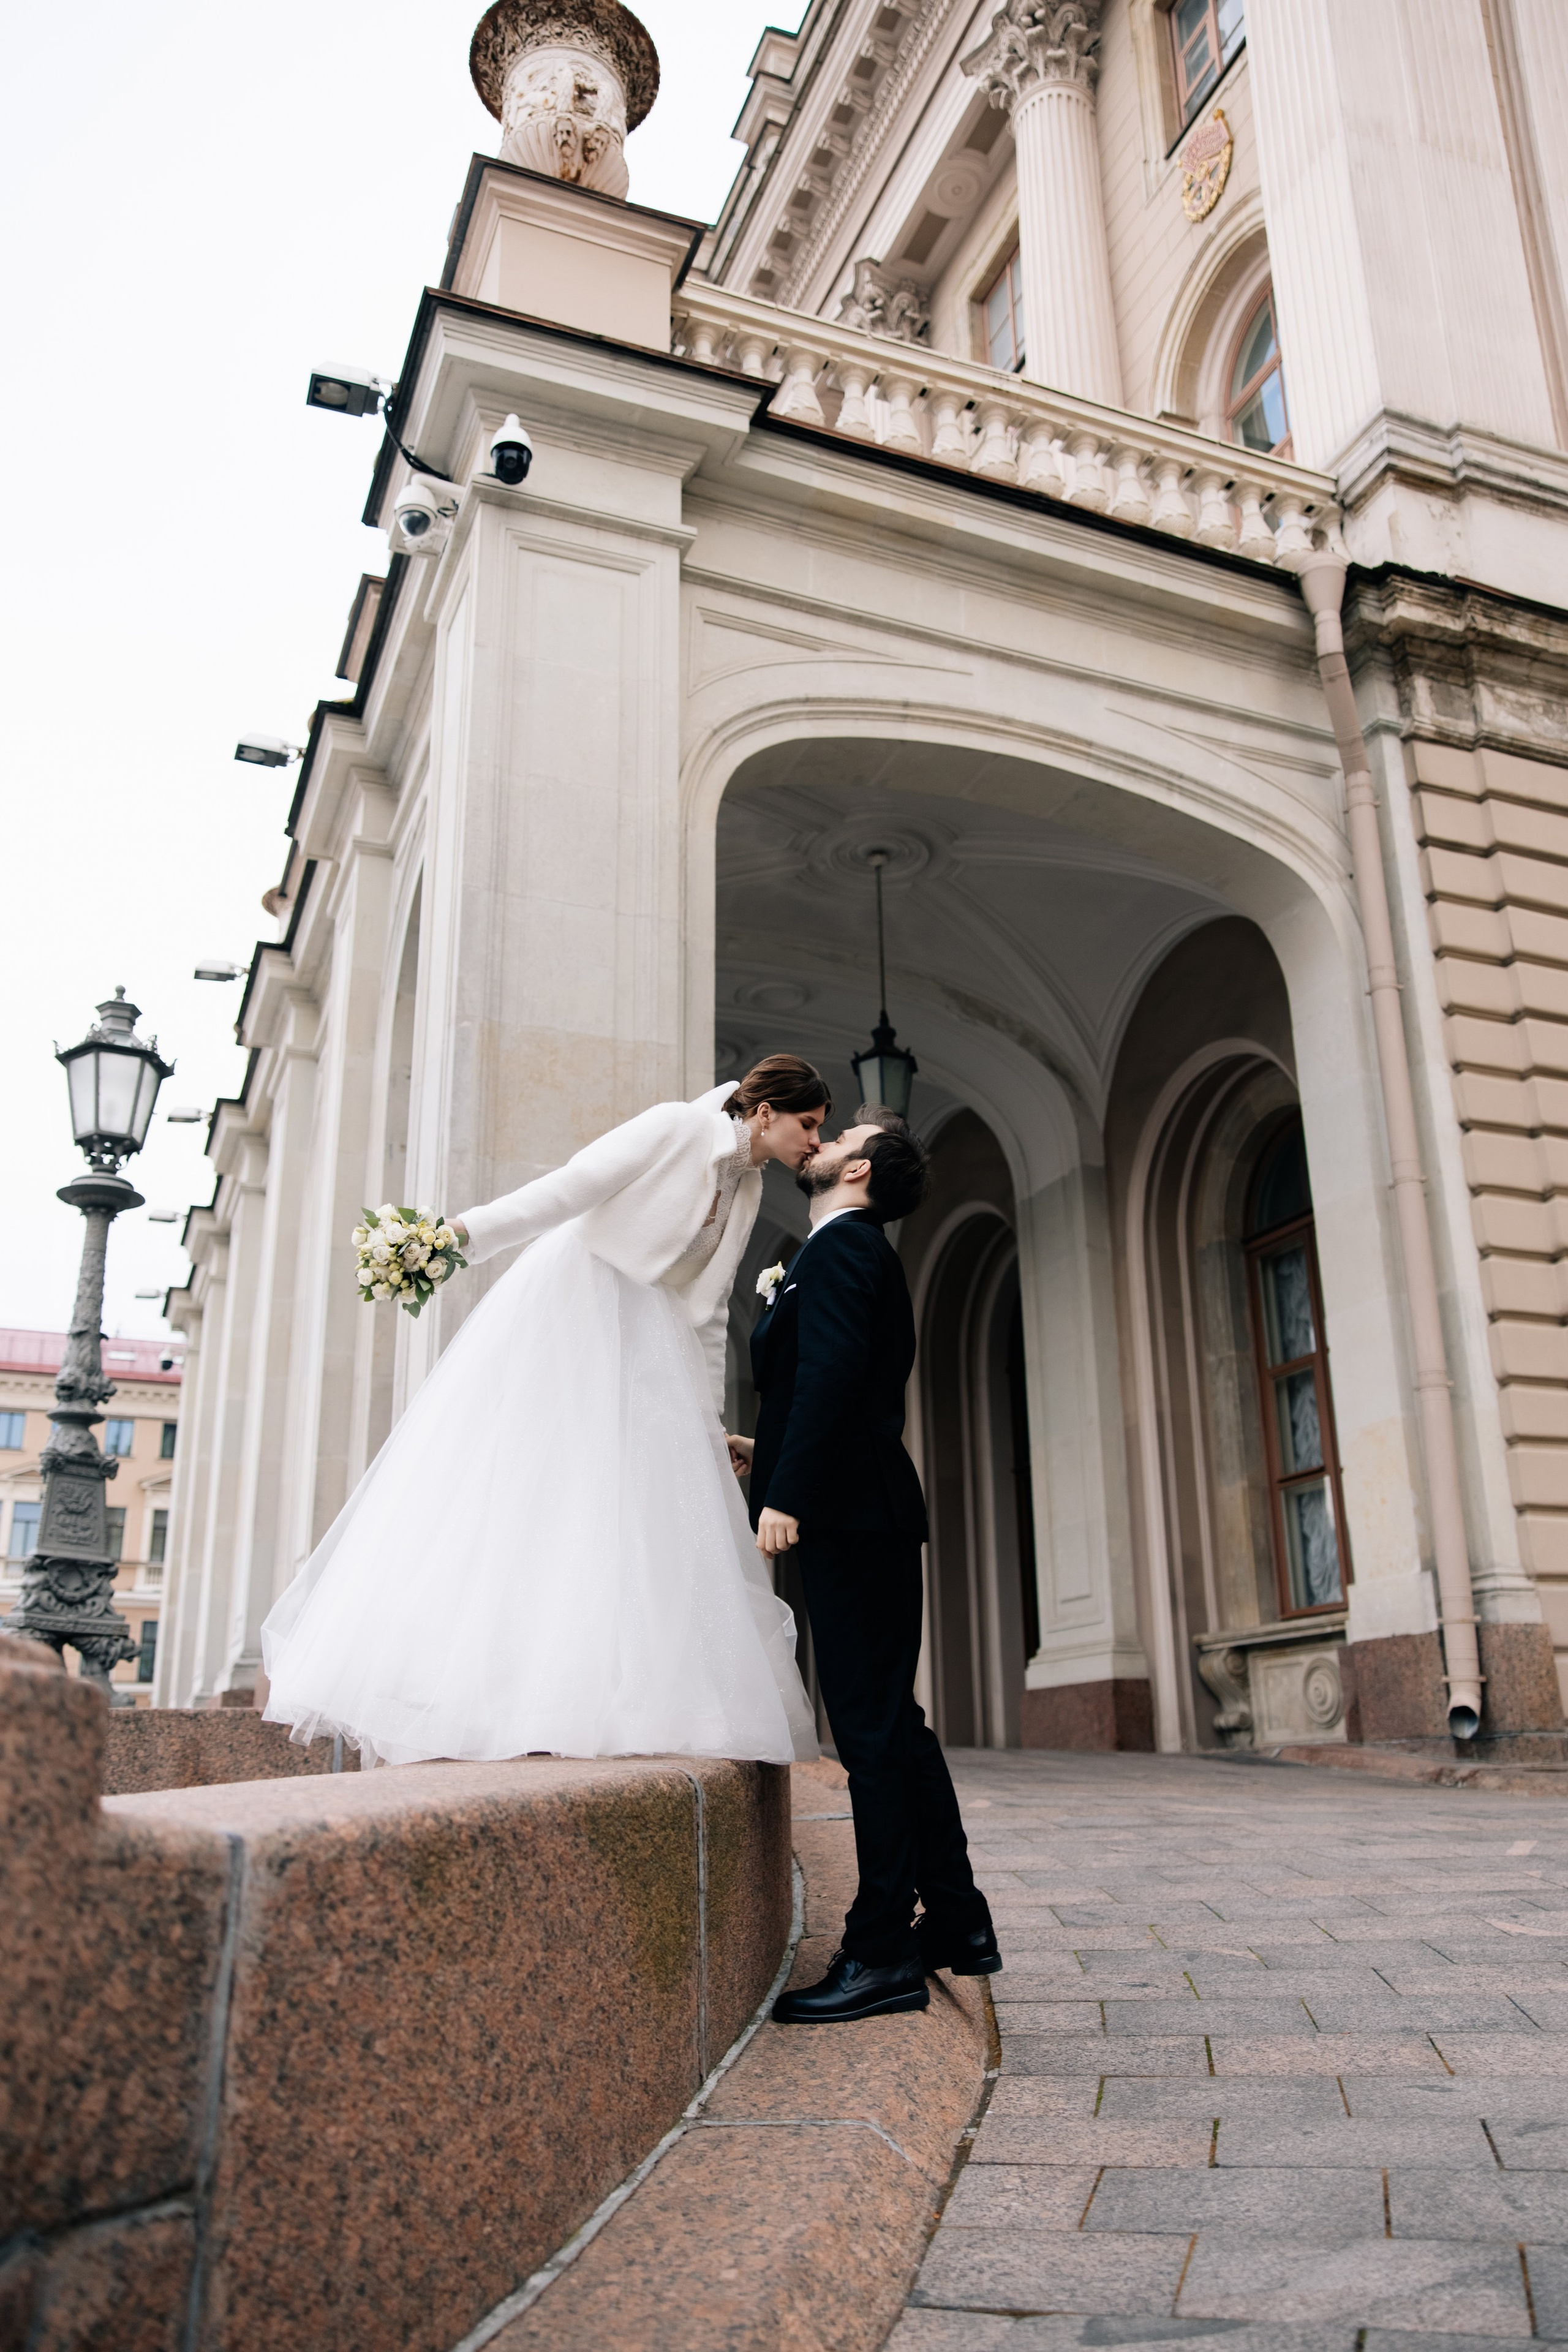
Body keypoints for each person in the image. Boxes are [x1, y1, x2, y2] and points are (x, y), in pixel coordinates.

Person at [260, 1058, 827, 1770]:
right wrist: (450, 1240)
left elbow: (707, 1311)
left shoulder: (746, 1186)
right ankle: (481, 1691)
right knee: (543, 1479)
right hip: (579, 1303)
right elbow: (565, 1190)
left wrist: (703, 1420)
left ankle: (610, 1695)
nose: (814, 1140)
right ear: (766, 1110)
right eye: (808, 1124)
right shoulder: (676, 1126)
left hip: (651, 1338)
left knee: (629, 1508)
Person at [736, 1110, 1000, 2022]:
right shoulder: (832, 1251)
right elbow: (821, 1381)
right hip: (857, 1511)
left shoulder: (846, 1250)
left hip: (854, 1518)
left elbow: (839, 1375)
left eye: (843, 1134)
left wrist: (790, 1493)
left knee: (873, 1735)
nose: (825, 1141)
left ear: (863, 1171)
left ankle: (883, 1947)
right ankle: (957, 1925)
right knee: (893, 1725)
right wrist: (765, 1455)